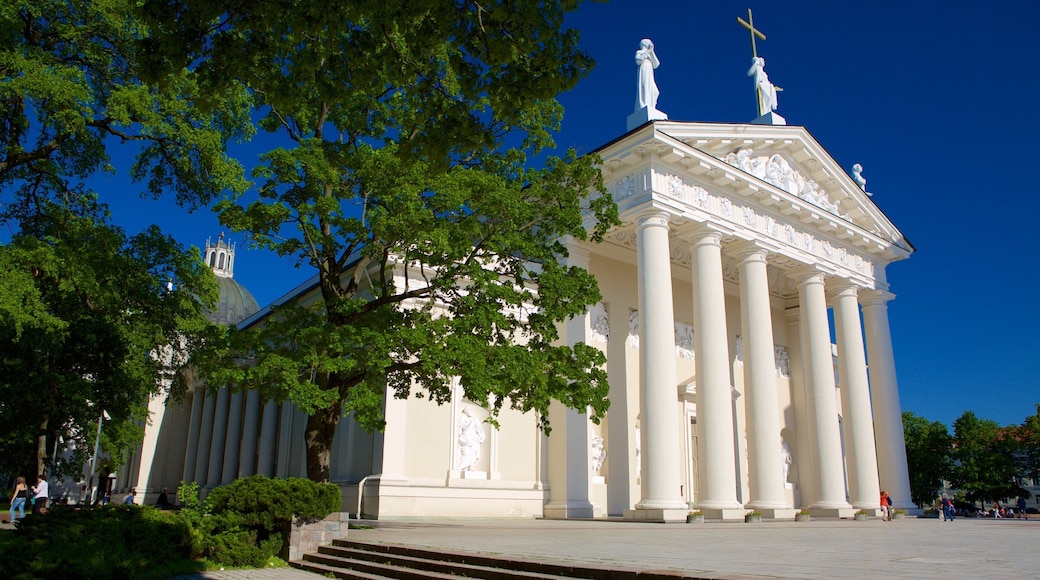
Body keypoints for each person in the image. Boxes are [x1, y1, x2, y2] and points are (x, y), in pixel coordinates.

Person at [635, 39, 661, 111]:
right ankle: (644, 104)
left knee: (654, 90)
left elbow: (656, 64)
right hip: (644, 68)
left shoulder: (650, 54)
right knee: (645, 85)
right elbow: (638, 60)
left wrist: (651, 51)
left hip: (650, 70)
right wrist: (648, 51)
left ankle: (651, 106)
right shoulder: (639, 52)